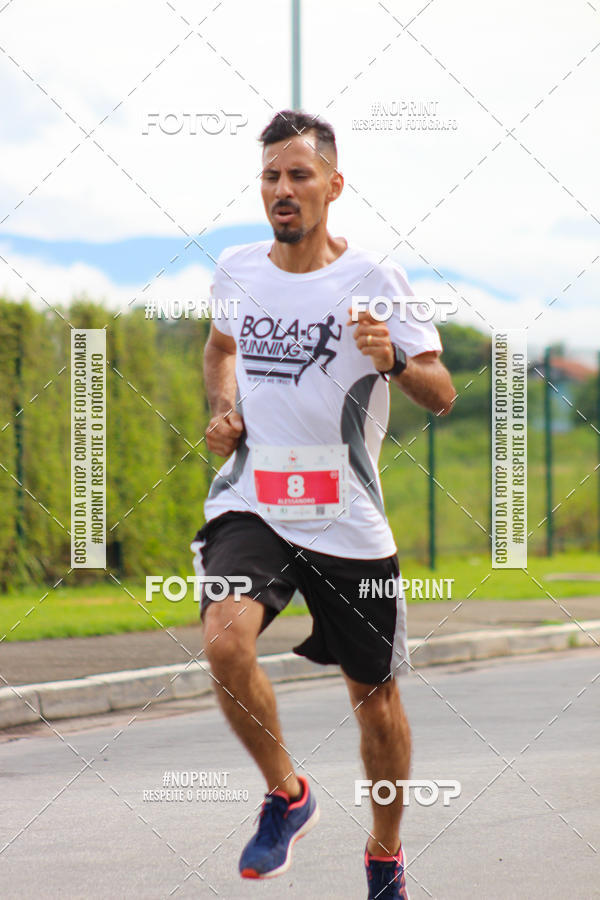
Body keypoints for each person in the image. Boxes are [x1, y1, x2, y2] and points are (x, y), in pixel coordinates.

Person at [192, 110, 455, 899]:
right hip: (256, 501)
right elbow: (219, 348)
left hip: (346, 514)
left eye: (299, 175)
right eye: (272, 175)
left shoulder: (375, 281)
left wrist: (396, 357)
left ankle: (384, 851)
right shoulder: (238, 269)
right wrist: (224, 407)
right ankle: (287, 793)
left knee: (375, 701)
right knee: (224, 643)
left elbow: (439, 394)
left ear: (333, 186)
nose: (283, 188)